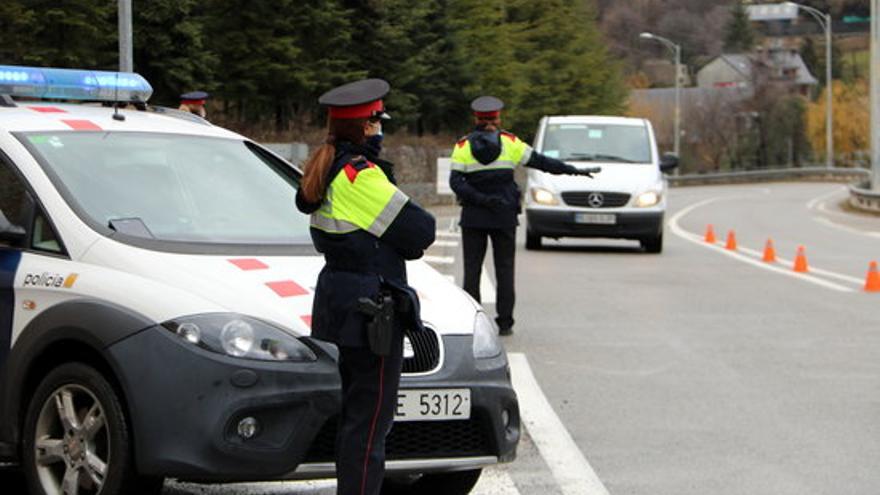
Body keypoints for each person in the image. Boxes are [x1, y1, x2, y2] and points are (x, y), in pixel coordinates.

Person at [295, 78, 435, 495]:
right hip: (371, 312)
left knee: (357, 419)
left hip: (343, 303)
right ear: (366, 126)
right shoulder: (360, 176)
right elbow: (421, 230)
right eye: (377, 122)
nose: (381, 129)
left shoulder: (326, 167)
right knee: (371, 425)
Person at [449, 96, 598, 335]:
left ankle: (472, 322)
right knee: (505, 270)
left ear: (476, 118)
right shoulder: (511, 143)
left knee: (472, 271)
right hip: (504, 216)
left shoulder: (462, 146)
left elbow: (456, 182)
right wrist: (573, 171)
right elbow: (541, 162)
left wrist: (481, 199)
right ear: (498, 118)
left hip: (474, 217)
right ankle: (505, 323)